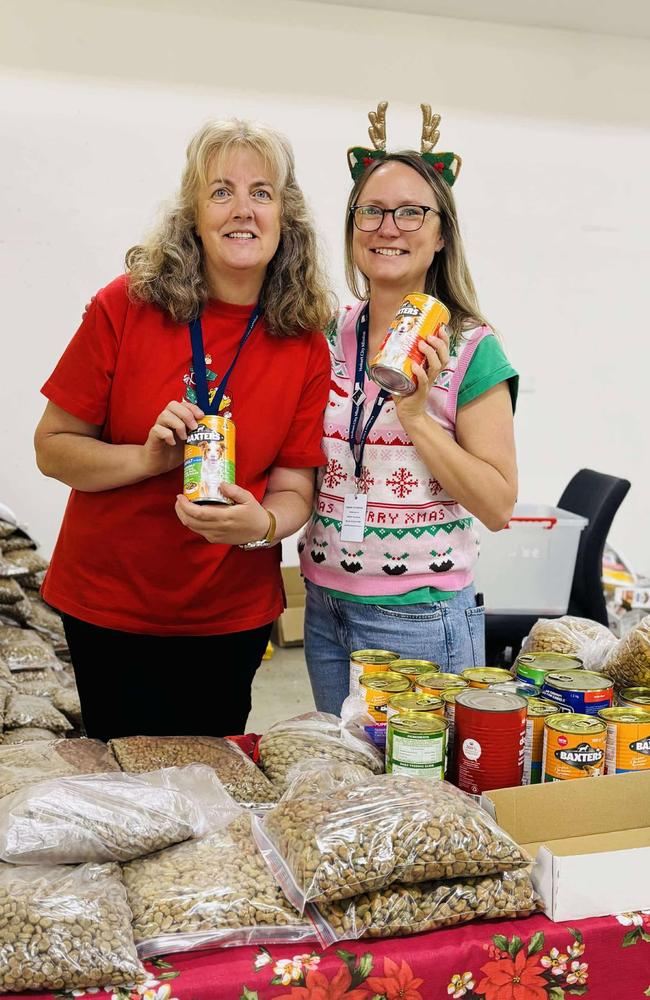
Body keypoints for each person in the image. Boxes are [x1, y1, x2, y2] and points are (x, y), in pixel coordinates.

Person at [34, 118, 332, 740]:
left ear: (285, 217)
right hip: (109, 606)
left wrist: (264, 525)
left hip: (230, 615)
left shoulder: (303, 341)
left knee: (211, 796)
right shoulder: (125, 306)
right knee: (124, 794)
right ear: (192, 215)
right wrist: (146, 460)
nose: (242, 210)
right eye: (220, 191)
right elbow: (53, 449)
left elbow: (294, 486)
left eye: (262, 193)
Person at [300, 104, 518, 714]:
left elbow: (498, 505)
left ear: (441, 232)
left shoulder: (471, 347)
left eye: (411, 211)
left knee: (421, 802)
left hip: (419, 618)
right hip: (325, 607)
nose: (387, 226)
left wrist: (419, 418)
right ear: (351, 228)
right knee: (347, 793)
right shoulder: (325, 334)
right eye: (370, 210)